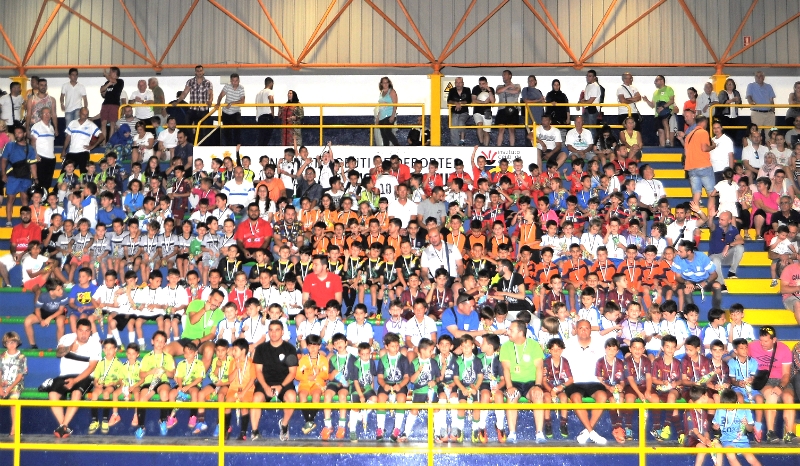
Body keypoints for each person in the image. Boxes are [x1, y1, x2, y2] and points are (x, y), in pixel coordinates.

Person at [46, 318, 101, 438]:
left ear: (90, 331)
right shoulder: (67, 338)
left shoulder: (95, 344)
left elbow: (92, 367)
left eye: (87, 331)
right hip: (65, 375)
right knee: (52, 394)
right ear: (76, 330)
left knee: (76, 393)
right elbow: (58, 353)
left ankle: (63, 426)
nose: (84, 334)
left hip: (84, 376)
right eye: (81, 330)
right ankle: (64, 427)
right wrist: (70, 348)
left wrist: (75, 381)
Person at [748, 326, 798, 444]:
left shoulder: (784, 349)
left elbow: (786, 374)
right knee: (772, 395)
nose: (762, 344)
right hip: (764, 380)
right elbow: (740, 354)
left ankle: (789, 433)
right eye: (761, 340)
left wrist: (780, 387)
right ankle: (770, 432)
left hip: (782, 380)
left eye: (766, 341)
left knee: (788, 397)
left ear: (774, 340)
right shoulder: (752, 346)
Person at [251, 320, 299, 441]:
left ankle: (284, 425)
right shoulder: (261, 348)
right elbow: (258, 371)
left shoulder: (290, 349)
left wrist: (281, 386)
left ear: (282, 332)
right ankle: (255, 432)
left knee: (292, 396)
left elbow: (292, 373)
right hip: (265, 382)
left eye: (277, 330)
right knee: (256, 398)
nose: (274, 333)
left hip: (284, 383)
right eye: (271, 330)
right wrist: (266, 387)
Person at [499, 320, 545, 444]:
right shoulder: (506, 346)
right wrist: (509, 387)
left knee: (538, 395)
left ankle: (539, 433)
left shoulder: (534, 345)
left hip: (531, 382)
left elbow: (539, 368)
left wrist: (538, 385)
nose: (508, 332)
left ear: (520, 332)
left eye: (511, 330)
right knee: (511, 396)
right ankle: (512, 433)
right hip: (514, 382)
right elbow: (506, 369)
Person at [1, 125, 37, 227]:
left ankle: (25, 221)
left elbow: (33, 165)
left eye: (19, 133)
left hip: (25, 177)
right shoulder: (10, 145)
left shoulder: (30, 148)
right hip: (12, 176)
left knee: (25, 199)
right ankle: (8, 221)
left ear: (24, 134)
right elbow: (3, 160)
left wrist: (35, 178)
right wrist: (3, 174)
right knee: (10, 198)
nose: (17, 135)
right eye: (16, 133)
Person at [671, 239, 723, 310]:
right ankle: (691, 312)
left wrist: (705, 282)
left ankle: (717, 311)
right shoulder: (678, 259)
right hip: (688, 281)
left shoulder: (702, 257)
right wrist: (686, 282)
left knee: (717, 285)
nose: (678, 253)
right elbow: (678, 277)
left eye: (681, 251)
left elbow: (714, 274)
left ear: (689, 252)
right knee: (686, 290)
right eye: (678, 251)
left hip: (704, 280)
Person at [679, 114, 715, 207]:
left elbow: (686, 153)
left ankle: (696, 214)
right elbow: (704, 148)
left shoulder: (689, 135)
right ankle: (711, 215)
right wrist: (713, 146)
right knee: (712, 194)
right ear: (704, 122)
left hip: (691, 167)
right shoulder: (703, 132)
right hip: (703, 165)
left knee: (696, 194)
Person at [707, 210, 745, 288]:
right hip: (714, 256)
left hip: (725, 256)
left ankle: (732, 272)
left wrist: (728, 244)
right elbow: (710, 225)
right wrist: (711, 217)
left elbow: (741, 240)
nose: (720, 221)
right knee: (716, 260)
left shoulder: (733, 229)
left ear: (729, 221)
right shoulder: (716, 227)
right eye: (719, 219)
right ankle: (721, 284)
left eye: (722, 220)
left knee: (740, 247)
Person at [175, 65, 213, 141]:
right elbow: (184, 93)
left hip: (204, 110)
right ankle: (190, 142)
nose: (199, 72)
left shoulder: (208, 83)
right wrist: (177, 101)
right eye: (198, 71)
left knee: (203, 130)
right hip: (193, 109)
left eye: (201, 71)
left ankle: (201, 145)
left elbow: (211, 94)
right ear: (195, 72)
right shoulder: (190, 82)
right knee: (187, 125)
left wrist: (210, 101)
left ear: (203, 72)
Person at [62, 107, 104, 173]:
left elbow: (102, 136)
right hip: (72, 152)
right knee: (64, 173)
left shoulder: (91, 125)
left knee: (84, 174)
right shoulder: (72, 123)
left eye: (86, 115)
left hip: (83, 152)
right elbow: (68, 138)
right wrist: (64, 150)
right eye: (83, 114)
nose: (85, 116)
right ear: (79, 113)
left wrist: (92, 146)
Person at [642, 75, 676, 147]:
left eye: (656, 81)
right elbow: (652, 105)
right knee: (660, 131)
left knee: (665, 123)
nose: (655, 82)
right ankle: (663, 148)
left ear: (662, 80)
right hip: (658, 115)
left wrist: (663, 107)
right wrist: (646, 100)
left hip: (667, 112)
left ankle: (668, 141)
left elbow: (672, 100)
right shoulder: (655, 93)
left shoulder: (669, 89)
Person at [30, 106, 56, 191]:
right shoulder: (37, 126)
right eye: (44, 113)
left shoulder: (51, 127)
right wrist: (35, 154)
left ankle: (45, 197)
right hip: (41, 157)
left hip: (51, 158)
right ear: (41, 115)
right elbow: (33, 142)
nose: (47, 115)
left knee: (48, 182)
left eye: (48, 113)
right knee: (40, 182)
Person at [216, 73, 245, 146]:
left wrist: (232, 103)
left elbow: (242, 101)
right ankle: (229, 146)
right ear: (231, 81)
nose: (235, 82)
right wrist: (218, 103)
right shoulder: (227, 86)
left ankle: (237, 146)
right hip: (226, 112)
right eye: (233, 81)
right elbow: (220, 95)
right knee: (227, 131)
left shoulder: (241, 88)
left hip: (236, 111)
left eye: (236, 80)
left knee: (237, 129)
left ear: (239, 80)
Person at [495, 70, 521, 147]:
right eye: (503, 75)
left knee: (511, 130)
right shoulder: (499, 86)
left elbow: (516, 91)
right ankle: (498, 147)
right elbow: (498, 91)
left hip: (513, 110)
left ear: (510, 76)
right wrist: (508, 87)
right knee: (501, 129)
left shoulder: (517, 85)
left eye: (505, 75)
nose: (503, 76)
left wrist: (505, 89)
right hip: (502, 110)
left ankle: (512, 147)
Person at [99, 67, 124, 140]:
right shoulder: (107, 82)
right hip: (105, 104)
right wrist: (108, 85)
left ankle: (110, 142)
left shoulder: (120, 81)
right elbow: (101, 90)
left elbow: (113, 80)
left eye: (110, 72)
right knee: (103, 123)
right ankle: (103, 142)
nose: (109, 73)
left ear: (115, 73)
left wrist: (105, 74)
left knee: (112, 123)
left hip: (114, 105)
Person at [471, 76, 495, 146]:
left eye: (483, 84)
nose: (481, 85)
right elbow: (473, 100)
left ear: (486, 83)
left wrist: (489, 90)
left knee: (486, 131)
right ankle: (481, 143)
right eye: (480, 84)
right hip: (477, 111)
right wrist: (483, 102)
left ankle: (486, 146)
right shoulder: (476, 88)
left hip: (487, 112)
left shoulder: (491, 89)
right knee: (479, 124)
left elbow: (493, 101)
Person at [447, 77, 472, 145]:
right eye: (457, 83)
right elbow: (449, 101)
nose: (458, 84)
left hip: (464, 112)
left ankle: (462, 140)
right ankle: (455, 144)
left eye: (460, 82)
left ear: (463, 83)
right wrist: (456, 103)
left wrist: (460, 103)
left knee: (461, 122)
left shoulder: (467, 90)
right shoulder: (452, 90)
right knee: (453, 125)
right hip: (454, 112)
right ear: (455, 83)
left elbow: (469, 100)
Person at [578, 69, 602, 136]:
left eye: (590, 76)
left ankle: (593, 142)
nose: (588, 77)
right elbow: (587, 99)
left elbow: (591, 101)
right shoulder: (588, 86)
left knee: (591, 129)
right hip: (587, 108)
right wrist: (581, 102)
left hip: (592, 109)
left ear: (594, 77)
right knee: (585, 128)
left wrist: (582, 102)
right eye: (587, 76)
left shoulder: (595, 86)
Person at [377, 77, 399, 146]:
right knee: (383, 135)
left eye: (387, 82)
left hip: (389, 115)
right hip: (382, 116)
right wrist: (378, 117)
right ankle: (385, 148)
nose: (385, 84)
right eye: (384, 82)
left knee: (387, 131)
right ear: (381, 84)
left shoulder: (391, 91)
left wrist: (393, 115)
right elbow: (380, 107)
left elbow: (395, 104)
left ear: (389, 83)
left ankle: (397, 146)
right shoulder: (381, 93)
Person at [779, 258, 800, 324]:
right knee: (797, 304)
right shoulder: (789, 269)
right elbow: (783, 289)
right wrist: (798, 288)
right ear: (798, 256)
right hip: (791, 297)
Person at [255, 77, 275, 145]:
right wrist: (273, 113)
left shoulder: (258, 94)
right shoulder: (269, 91)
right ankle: (263, 149)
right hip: (267, 116)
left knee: (261, 136)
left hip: (260, 117)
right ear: (271, 83)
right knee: (266, 137)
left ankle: (261, 148)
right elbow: (271, 100)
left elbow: (256, 106)